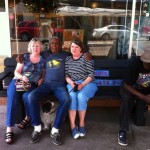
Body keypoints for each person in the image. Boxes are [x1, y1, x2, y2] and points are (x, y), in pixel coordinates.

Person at [26, 36, 70, 145]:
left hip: (59, 86)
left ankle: (55, 129)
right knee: (31, 96)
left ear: (61, 45)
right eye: (52, 44)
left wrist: (88, 55)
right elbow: (32, 53)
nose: (54, 45)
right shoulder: (45, 54)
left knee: (66, 99)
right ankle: (37, 127)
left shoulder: (66, 55)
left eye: (57, 43)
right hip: (46, 85)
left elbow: (80, 54)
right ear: (49, 45)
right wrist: (22, 57)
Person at [5, 37, 46, 144]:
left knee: (28, 97)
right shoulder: (24, 57)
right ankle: (9, 129)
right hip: (18, 81)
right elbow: (17, 72)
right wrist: (22, 77)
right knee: (12, 97)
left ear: (41, 47)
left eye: (37, 46)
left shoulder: (43, 60)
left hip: (31, 84)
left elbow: (44, 73)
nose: (35, 48)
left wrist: (41, 79)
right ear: (30, 47)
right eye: (33, 46)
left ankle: (28, 118)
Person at [65, 38, 98, 139]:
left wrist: (82, 85)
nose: (74, 49)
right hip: (72, 83)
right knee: (72, 96)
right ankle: (73, 126)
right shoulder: (68, 59)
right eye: (72, 47)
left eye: (76, 47)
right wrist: (71, 83)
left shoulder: (86, 57)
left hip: (87, 83)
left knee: (81, 96)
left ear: (81, 49)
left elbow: (91, 75)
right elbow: (66, 75)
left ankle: (82, 124)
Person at [118, 49, 150, 146]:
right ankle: (123, 131)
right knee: (127, 99)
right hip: (130, 88)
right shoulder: (135, 64)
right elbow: (126, 85)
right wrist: (143, 97)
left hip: (146, 90)